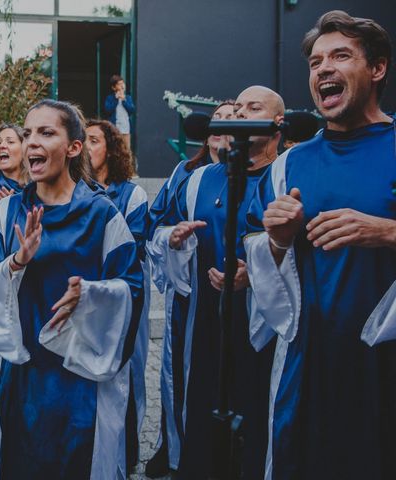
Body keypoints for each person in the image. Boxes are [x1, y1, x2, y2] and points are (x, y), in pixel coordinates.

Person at [244, 11, 396, 479]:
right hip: (308, 366)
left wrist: (386, 231)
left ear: (377, 69)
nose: (323, 69)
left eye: (340, 56)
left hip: (384, 370)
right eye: (315, 62)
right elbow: (261, 259)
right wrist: (277, 241)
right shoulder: (289, 165)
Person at [0, 99, 144, 479]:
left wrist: (92, 297)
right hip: (21, 376)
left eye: (46, 133)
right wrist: (16, 264)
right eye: (28, 133)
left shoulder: (103, 216)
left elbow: (132, 289)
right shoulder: (5, 214)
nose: (32, 141)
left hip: (82, 379)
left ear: (73, 148)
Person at [149, 86, 284, 479]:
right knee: (204, 415)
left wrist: (255, 275)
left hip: (264, 333)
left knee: (258, 420)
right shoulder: (198, 180)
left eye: (252, 108)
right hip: (204, 323)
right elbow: (157, 230)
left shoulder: (287, 174)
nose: (239, 115)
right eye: (236, 109)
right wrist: (174, 239)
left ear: (277, 123)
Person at [144, 100, 234, 477]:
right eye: (217, 120)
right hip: (190, 297)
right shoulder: (186, 172)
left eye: (234, 119)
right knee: (181, 377)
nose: (222, 126)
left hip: (235, 300)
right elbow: (156, 224)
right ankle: (176, 446)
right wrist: (173, 238)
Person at [85, 118, 149, 474]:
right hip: (86, 301)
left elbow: (132, 247)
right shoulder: (76, 190)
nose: (88, 146)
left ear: (109, 148)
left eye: (94, 140)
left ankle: (125, 452)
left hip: (120, 296)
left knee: (126, 373)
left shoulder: (131, 194)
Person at [104, 75, 135, 151]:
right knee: (115, 149)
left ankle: (127, 163)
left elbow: (132, 110)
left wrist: (124, 100)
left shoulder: (128, 97)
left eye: (122, 83)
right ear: (114, 88)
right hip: (115, 128)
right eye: (119, 84)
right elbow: (108, 110)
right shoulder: (110, 98)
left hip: (126, 128)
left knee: (126, 150)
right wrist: (116, 99)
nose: (122, 86)